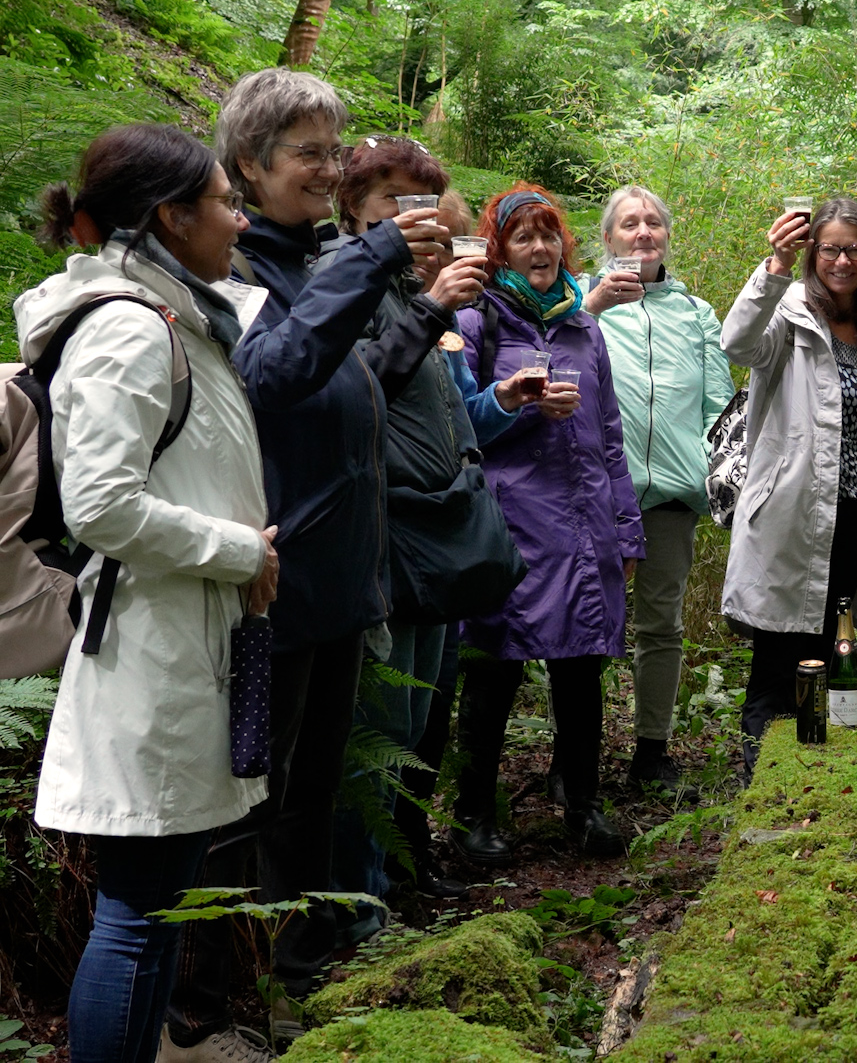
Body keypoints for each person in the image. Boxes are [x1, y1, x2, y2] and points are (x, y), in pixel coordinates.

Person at [164, 68, 449, 1062]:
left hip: (334, 586)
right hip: (266, 590)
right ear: (248, 166)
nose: (332, 170)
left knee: (308, 801)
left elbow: (353, 384)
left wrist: (414, 307)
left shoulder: (315, 258)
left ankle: (288, 978)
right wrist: (368, 259)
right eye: (309, 155)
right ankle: (212, 1008)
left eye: (337, 150)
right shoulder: (235, 273)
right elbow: (273, 380)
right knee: (247, 804)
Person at [22, 124, 277, 1063]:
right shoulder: (130, 325)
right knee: (137, 912)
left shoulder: (177, 314)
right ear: (170, 218)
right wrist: (239, 550)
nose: (238, 214)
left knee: (158, 904)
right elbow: (101, 506)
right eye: (222, 198)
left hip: (183, 636)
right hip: (150, 647)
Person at [323, 138, 540, 935]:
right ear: (354, 210)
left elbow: (453, 418)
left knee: (416, 729)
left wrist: (505, 402)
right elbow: (350, 389)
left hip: (442, 535)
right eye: (391, 201)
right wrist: (432, 306)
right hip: (386, 538)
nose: (412, 218)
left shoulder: (425, 299)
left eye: (423, 203)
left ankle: (393, 883)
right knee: (377, 734)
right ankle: (356, 917)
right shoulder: (344, 290)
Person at [452, 183, 644, 860]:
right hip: (510, 528)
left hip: (584, 522)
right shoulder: (479, 320)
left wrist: (626, 527)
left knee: (579, 669)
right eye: (524, 236)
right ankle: (473, 815)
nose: (540, 247)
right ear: (500, 247)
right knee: (495, 669)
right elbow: (460, 426)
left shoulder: (582, 324)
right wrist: (512, 401)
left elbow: (610, 431)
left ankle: (584, 807)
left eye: (549, 233)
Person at [721, 197, 857, 771]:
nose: (842, 261)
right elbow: (739, 344)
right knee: (778, 660)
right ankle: (760, 786)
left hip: (852, 519)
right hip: (791, 515)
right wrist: (772, 269)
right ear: (811, 253)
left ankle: (812, 777)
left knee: (831, 653)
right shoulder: (791, 312)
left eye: (853, 250)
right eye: (830, 249)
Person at [587, 185, 733, 790]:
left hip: (673, 491)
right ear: (609, 239)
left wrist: (706, 462)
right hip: (595, 491)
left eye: (653, 223)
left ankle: (651, 750)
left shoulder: (696, 313)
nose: (642, 232)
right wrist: (590, 304)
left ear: (667, 236)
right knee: (587, 624)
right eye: (629, 224)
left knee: (662, 624)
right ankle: (577, 757)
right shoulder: (581, 302)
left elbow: (719, 406)